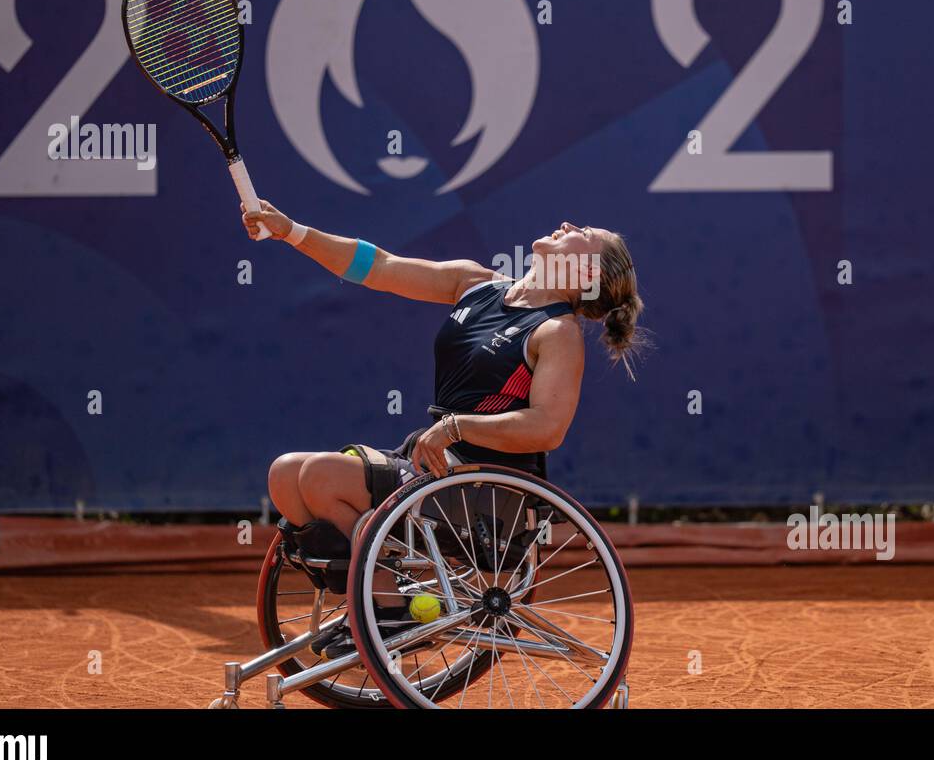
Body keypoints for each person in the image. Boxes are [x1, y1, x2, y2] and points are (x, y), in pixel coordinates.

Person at [242, 201, 644, 630]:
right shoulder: (476, 284)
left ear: (584, 274)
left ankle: (388, 606)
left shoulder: (557, 332)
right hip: (430, 467)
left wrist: (456, 427)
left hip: (481, 488)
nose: (567, 223)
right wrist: (292, 231)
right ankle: (384, 600)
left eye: (582, 231)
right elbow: (379, 266)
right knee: (285, 475)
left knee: (319, 475)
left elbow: (548, 427)